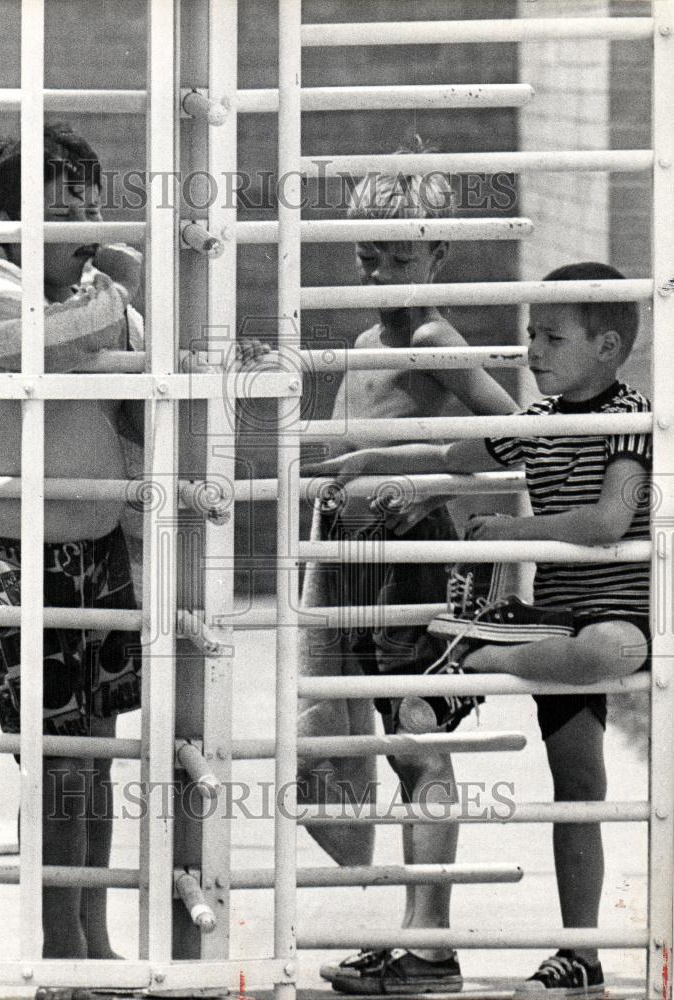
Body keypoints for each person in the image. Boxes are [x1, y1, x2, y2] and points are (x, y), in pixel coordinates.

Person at [322, 262, 651, 997]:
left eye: (550, 338)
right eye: (529, 334)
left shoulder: (628, 422)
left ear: (605, 347)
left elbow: (607, 522)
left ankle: (470, 658)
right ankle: (580, 957)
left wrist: (514, 525)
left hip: (609, 620)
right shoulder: (530, 425)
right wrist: (373, 459)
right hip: (553, 624)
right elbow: (449, 458)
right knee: (577, 780)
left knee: (602, 690)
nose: (531, 351)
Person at [305, 140, 519, 996]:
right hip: (353, 563)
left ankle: (428, 942)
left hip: (410, 569)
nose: (381, 268)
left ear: (439, 255)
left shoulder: (433, 336)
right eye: (368, 252)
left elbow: (510, 435)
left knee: (416, 743)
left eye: (399, 254)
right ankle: (410, 933)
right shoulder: (365, 337)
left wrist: (420, 475)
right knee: (386, 746)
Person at [0, 122, 146, 960]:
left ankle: (92, 937)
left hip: (95, 547)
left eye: (90, 203)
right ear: (11, 220)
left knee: (94, 762)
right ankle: (60, 952)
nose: (86, 222)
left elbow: (137, 413)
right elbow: (4, 337)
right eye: (63, 208)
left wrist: (130, 316)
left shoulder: (96, 300)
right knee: (55, 763)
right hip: (7, 554)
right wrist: (123, 292)